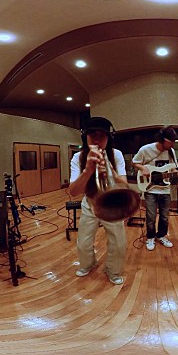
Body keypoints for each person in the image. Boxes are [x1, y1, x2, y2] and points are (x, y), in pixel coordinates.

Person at [68, 116, 128, 285]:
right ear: (84, 137)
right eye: (92, 135)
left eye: (102, 136)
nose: (96, 140)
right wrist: (88, 170)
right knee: (83, 243)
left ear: (109, 138)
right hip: (90, 202)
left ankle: (113, 270)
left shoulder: (116, 154)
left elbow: (124, 184)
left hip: (112, 204)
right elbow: (73, 192)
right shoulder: (78, 157)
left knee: (118, 243)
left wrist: (111, 173)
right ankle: (88, 263)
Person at [132, 125, 178, 251]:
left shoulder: (171, 152)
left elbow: (173, 168)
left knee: (164, 217)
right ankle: (150, 237)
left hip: (165, 190)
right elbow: (134, 162)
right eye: (171, 142)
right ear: (163, 140)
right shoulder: (146, 149)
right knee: (151, 217)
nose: (173, 144)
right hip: (150, 189)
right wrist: (143, 168)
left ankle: (161, 236)